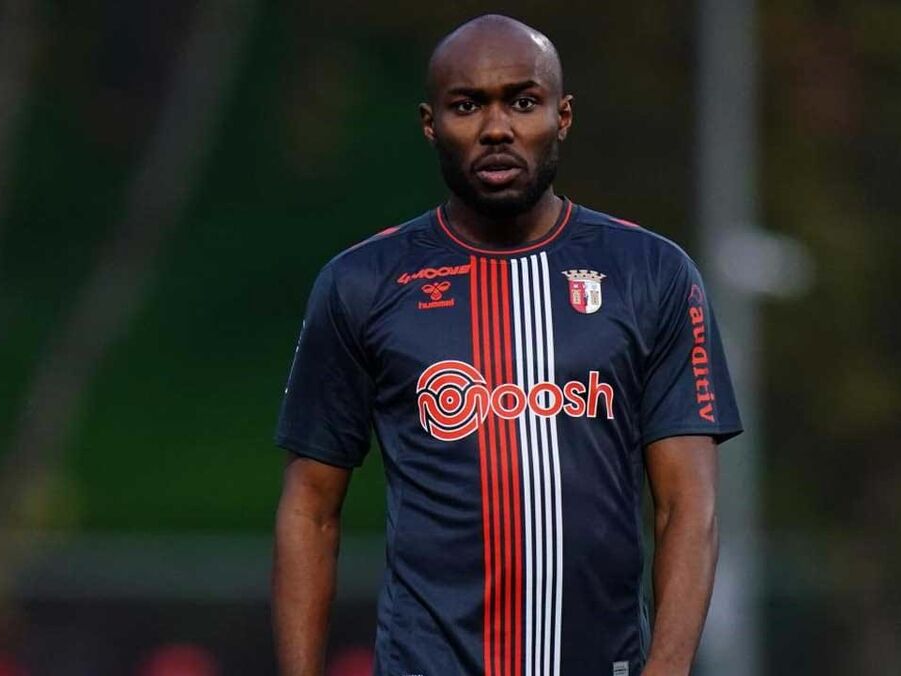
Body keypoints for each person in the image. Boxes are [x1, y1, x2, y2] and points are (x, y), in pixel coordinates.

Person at [273, 14, 742, 676]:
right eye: (468, 106)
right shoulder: (362, 283)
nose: (497, 128)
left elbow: (687, 508)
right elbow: (311, 509)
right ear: (431, 123)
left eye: (523, 102)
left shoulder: (652, 273)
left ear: (562, 116)